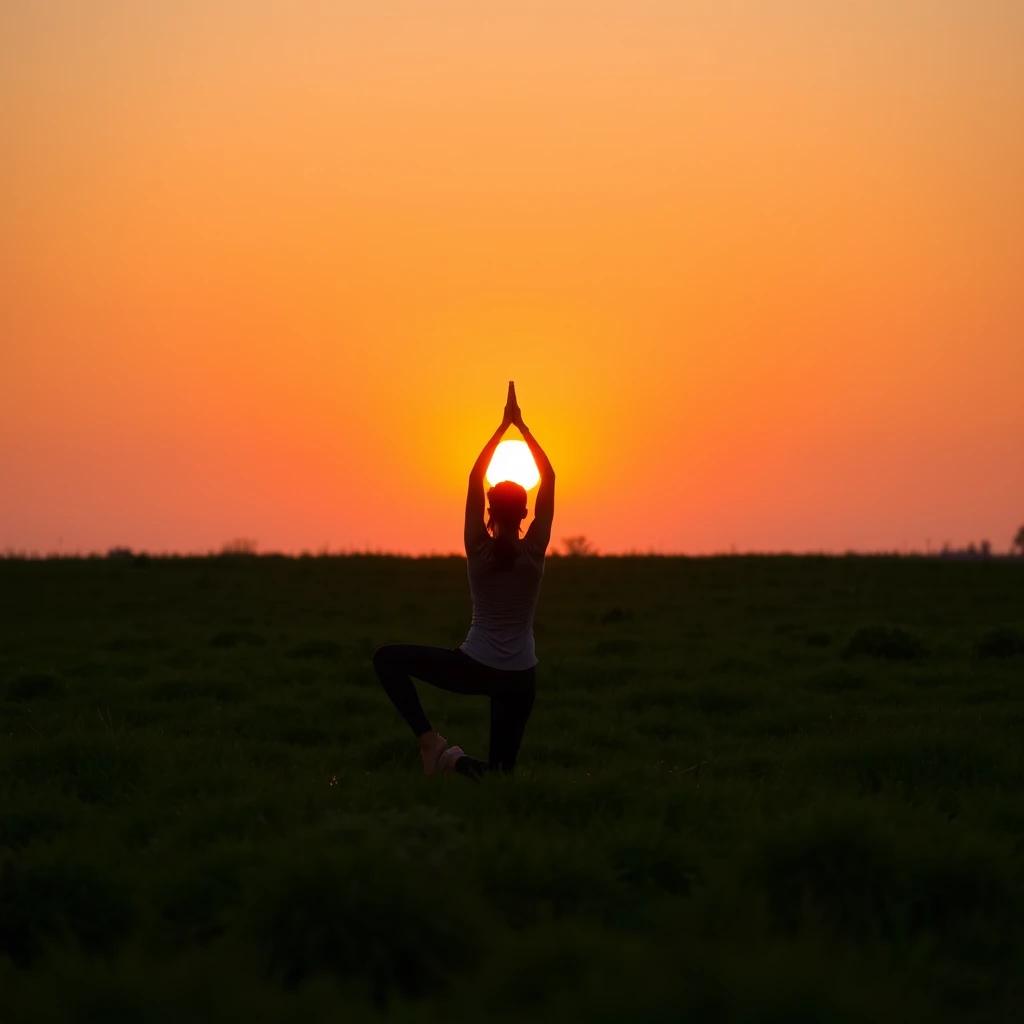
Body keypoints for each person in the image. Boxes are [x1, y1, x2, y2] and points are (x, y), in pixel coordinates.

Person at [373, 381, 555, 780]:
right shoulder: (534, 549)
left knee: (386, 658)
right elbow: (550, 476)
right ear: (526, 514)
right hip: (522, 677)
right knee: (500, 777)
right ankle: (450, 760)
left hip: (475, 666)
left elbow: (475, 477)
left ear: (489, 509)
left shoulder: (478, 546)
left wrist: (500, 428)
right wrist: (522, 428)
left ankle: (435, 747)